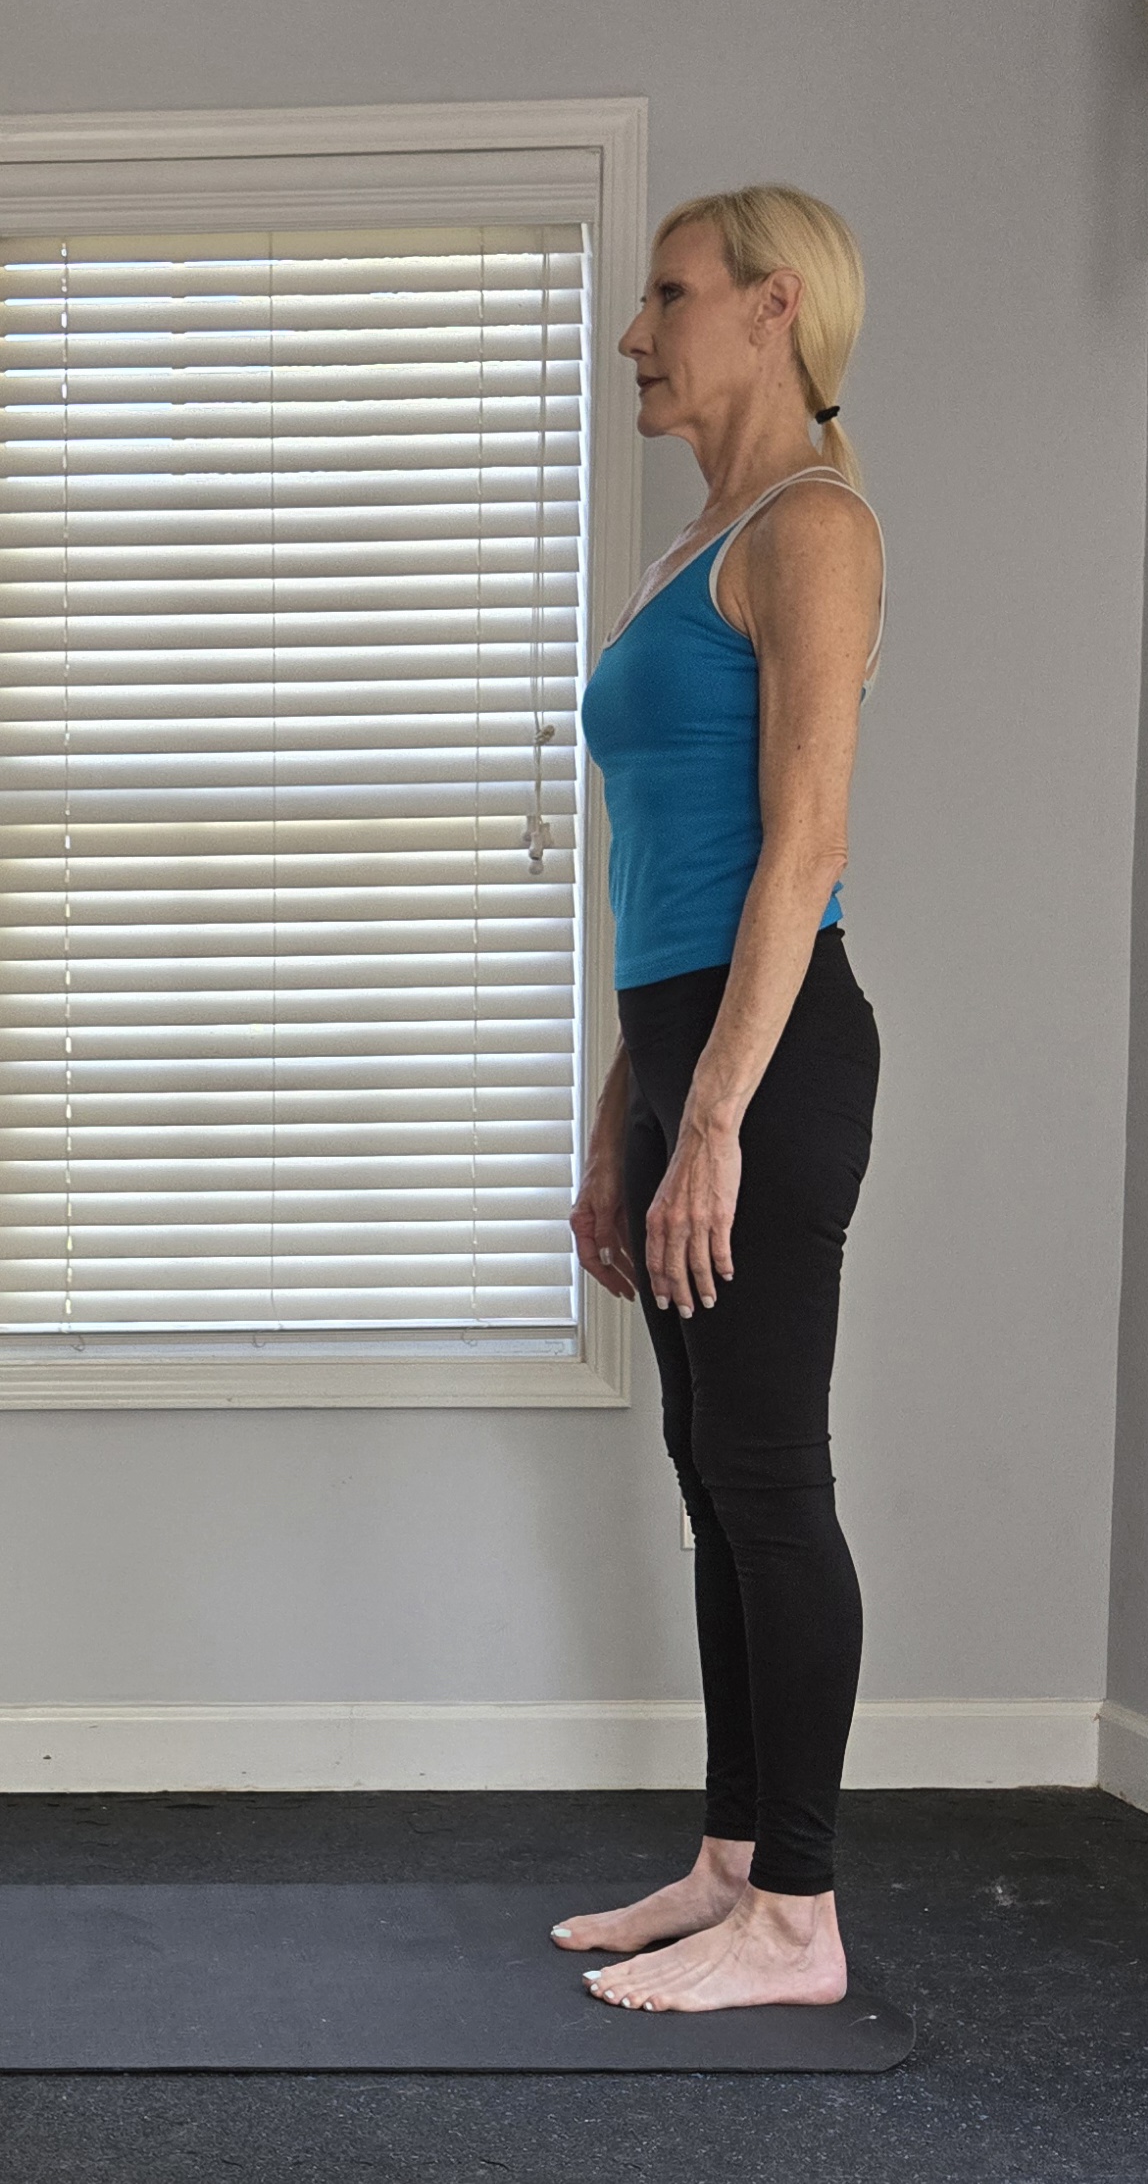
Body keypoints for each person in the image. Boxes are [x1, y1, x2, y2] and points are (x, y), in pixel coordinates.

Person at [554, 184, 887, 2014]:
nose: (635, 334)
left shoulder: (814, 527)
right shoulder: (699, 544)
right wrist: (631, 1109)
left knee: (771, 1479)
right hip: (688, 1046)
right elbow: (662, 864)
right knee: (711, 1472)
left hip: (775, 1056)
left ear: (771, 310)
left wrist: (717, 1121)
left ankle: (804, 1921)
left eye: (666, 297)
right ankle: (735, 1863)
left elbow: (802, 843)